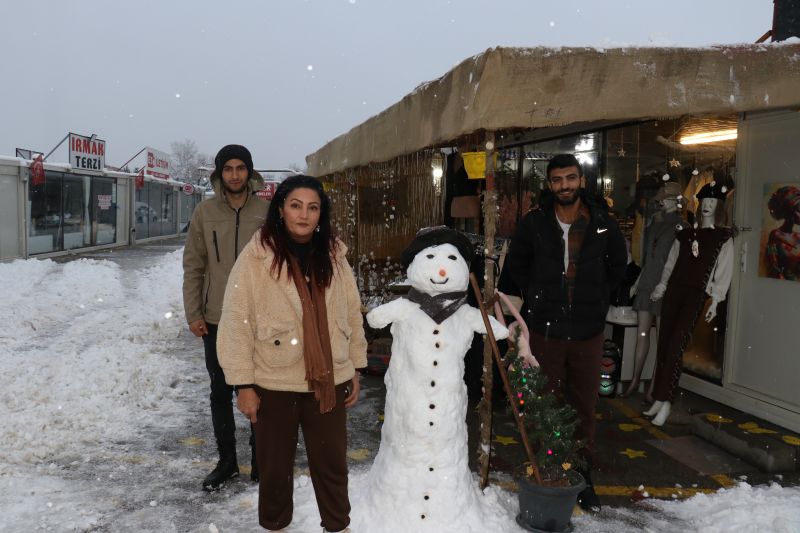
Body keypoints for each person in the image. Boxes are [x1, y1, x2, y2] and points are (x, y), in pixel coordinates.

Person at [217, 175, 367, 533]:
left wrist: (356, 366)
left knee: (332, 465)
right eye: (296, 205)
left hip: (328, 378)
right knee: (274, 469)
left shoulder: (334, 255)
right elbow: (236, 321)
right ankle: (275, 526)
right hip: (273, 381)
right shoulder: (257, 256)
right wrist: (243, 384)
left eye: (313, 208)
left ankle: (338, 527)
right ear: (281, 209)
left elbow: (351, 312)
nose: (304, 215)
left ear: (321, 213)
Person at [502, 153, 627, 512]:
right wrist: (536, 300)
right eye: (557, 180)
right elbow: (515, 269)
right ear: (550, 184)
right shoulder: (534, 224)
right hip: (545, 332)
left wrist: (596, 298)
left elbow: (618, 269)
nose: (564, 185)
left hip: (588, 333)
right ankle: (548, 469)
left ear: (581, 181)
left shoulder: (602, 224)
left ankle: (582, 476)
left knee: (583, 407)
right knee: (545, 405)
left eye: (570, 178)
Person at [182, 144, 268, 491]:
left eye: (240, 168)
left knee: (261, 390)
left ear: (249, 172)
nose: (234, 175)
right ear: (220, 174)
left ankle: (261, 458)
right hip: (217, 318)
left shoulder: (267, 212)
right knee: (220, 391)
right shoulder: (205, 212)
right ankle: (227, 461)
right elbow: (194, 265)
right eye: (228, 169)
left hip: (260, 319)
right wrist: (194, 312)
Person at [645, 182, 733, 426]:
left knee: (676, 347)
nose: (707, 205)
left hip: (695, 296)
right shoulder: (685, 234)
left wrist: (716, 299)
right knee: (664, 345)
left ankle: (667, 401)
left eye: (713, 202)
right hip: (674, 291)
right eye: (704, 201)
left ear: (720, 206)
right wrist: (662, 285)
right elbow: (671, 263)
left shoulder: (722, 237)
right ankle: (659, 398)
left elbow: (724, 272)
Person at [622, 180, 685, 400]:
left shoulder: (681, 227)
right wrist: (637, 282)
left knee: (661, 340)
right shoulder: (654, 224)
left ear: (676, 201)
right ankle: (635, 380)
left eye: (667, 199)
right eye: (661, 199)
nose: (662, 203)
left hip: (665, 286)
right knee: (642, 334)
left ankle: (654, 388)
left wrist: (665, 284)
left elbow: (677, 261)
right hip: (647, 282)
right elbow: (649, 258)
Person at [765, 185, 800, 280]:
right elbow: (772, 265)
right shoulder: (775, 235)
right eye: (799, 209)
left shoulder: (798, 237)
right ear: (789, 211)